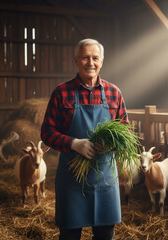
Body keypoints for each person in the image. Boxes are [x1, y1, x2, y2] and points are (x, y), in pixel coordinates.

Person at [41, 38, 129, 240]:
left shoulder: (114, 93)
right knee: (70, 234)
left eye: (95, 58)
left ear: (102, 61)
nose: (90, 62)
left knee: (105, 234)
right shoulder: (61, 93)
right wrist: (74, 143)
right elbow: (46, 132)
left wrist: (111, 143)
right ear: (76, 60)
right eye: (85, 57)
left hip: (105, 177)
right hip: (73, 180)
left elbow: (125, 130)